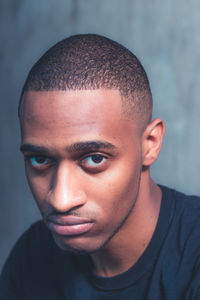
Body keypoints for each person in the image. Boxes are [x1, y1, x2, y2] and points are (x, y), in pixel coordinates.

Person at [0, 34, 200, 300]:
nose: (60, 200)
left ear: (150, 144)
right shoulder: (31, 256)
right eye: (40, 159)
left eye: (95, 159)